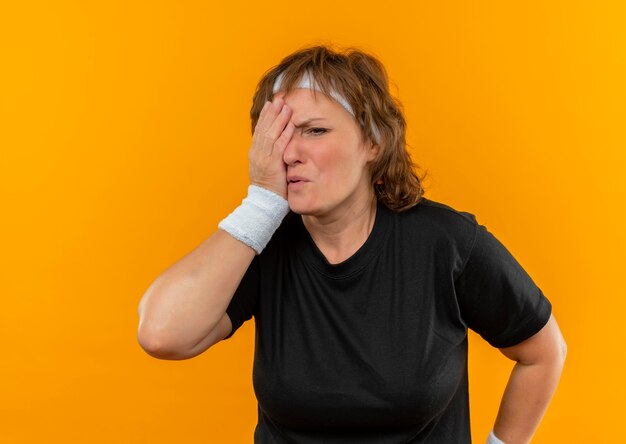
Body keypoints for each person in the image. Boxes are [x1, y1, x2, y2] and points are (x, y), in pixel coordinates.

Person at [137, 44, 567, 443]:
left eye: (314, 130)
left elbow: (543, 352)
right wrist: (260, 207)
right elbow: (162, 334)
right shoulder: (260, 245)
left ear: (373, 142)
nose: (288, 154)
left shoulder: (446, 242)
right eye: (278, 135)